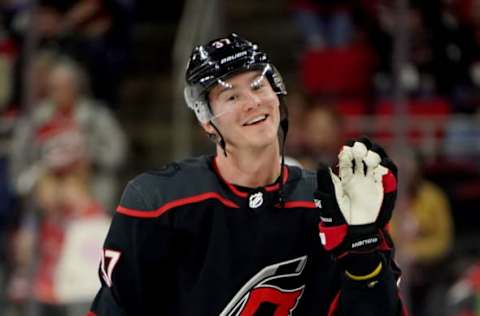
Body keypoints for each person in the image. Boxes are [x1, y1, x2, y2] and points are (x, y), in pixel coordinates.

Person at [89, 33, 406, 315]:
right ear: (207, 122)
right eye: (232, 96)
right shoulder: (156, 203)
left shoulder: (329, 206)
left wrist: (363, 251)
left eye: (258, 86)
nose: (253, 102)